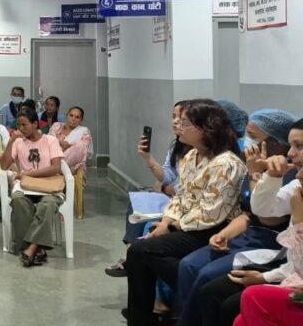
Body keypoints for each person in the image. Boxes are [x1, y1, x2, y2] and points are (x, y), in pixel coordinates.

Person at [123, 99, 248, 326]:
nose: (178, 127)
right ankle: (142, 318)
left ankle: (187, 299)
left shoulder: (226, 163)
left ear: (206, 128)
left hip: (213, 228)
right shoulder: (191, 156)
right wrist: (165, 222)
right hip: (187, 224)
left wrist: (172, 226)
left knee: (142, 250)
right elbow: (181, 196)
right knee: (138, 253)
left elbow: (211, 212)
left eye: (185, 123)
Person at [176, 109, 298, 326]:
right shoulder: (263, 167)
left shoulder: (289, 173)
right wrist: (224, 234)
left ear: (274, 143)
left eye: (253, 136)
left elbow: (268, 218)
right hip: (247, 234)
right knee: (188, 265)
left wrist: (258, 175)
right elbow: (249, 213)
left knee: (208, 279)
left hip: (270, 243)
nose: (246, 141)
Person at [106, 101, 192, 278]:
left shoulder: (202, 152)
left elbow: (186, 189)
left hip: (184, 205)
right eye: (174, 116)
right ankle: (131, 257)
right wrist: (147, 157)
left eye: (181, 118)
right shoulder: (176, 145)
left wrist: (168, 190)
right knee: (137, 203)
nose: (175, 121)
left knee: (147, 221)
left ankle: (132, 260)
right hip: (173, 198)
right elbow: (166, 176)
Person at [230, 177, 303, 326]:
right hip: (293, 275)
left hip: (268, 243)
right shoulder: (298, 188)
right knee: (239, 321)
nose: (299, 174)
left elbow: (268, 220)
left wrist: (298, 223)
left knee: (251, 296)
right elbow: (261, 211)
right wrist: (270, 175)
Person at [1, 108, 66, 267]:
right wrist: (11, 141)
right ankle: (37, 248)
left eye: (24, 125)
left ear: (35, 124)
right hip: (26, 186)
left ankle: (31, 248)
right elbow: (4, 165)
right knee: (18, 200)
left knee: (48, 204)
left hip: (48, 185)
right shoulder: (18, 142)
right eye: (18, 125)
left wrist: (30, 174)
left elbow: (56, 168)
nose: (20, 128)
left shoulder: (50, 140)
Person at [48, 106, 92, 173]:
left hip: (69, 162)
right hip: (52, 156)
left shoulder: (84, 131)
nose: (73, 119)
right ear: (67, 115)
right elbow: (50, 139)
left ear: (81, 120)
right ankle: (57, 168)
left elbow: (82, 151)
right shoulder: (57, 125)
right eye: (71, 115)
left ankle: (57, 168)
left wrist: (66, 145)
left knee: (81, 146)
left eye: (77, 117)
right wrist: (61, 143)